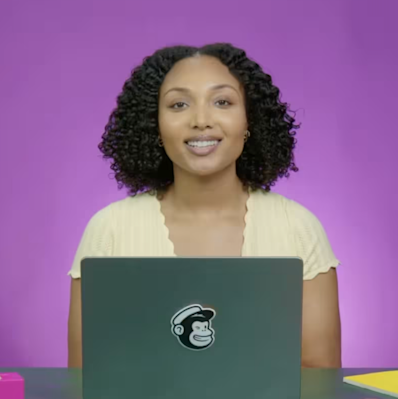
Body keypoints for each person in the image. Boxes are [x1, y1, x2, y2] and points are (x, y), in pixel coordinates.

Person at [66, 43, 342, 368]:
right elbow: (86, 376)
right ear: (154, 125)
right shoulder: (109, 231)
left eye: (222, 101)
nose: (201, 120)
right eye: (179, 104)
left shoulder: (297, 228)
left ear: (249, 121)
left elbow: (320, 376)